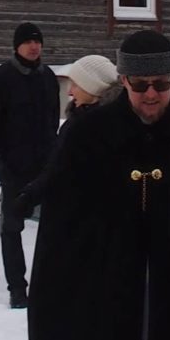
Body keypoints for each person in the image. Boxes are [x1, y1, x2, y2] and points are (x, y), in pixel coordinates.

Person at [27, 31, 170, 340]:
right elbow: (64, 227)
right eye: (140, 85)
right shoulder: (89, 134)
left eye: (161, 84)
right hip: (103, 288)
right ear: (123, 81)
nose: (150, 95)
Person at [0, 21, 59, 309]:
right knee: (12, 229)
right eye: (28, 42)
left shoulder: (48, 77)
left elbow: (51, 124)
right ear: (17, 46)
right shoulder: (2, 78)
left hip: (45, 168)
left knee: (53, 229)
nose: (34, 46)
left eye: (38, 41)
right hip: (13, 168)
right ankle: (17, 288)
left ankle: (49, 282)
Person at [12, 53, 121, 217]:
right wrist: (30, 195)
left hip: (89, 221)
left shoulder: (105, 127)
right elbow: (56, 167)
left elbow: (64, 172)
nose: (70, 91)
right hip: (68, 215)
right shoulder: (76, 121)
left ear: (93, 88)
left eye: (76, 85)